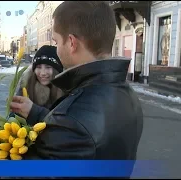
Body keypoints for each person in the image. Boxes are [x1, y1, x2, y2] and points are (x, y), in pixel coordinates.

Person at [9, 1, 143, 178]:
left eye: (56, 41)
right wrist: (35, 112)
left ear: (71, 42)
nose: (56, 49)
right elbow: (84, 136)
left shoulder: (73, 118)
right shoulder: (127, 94)